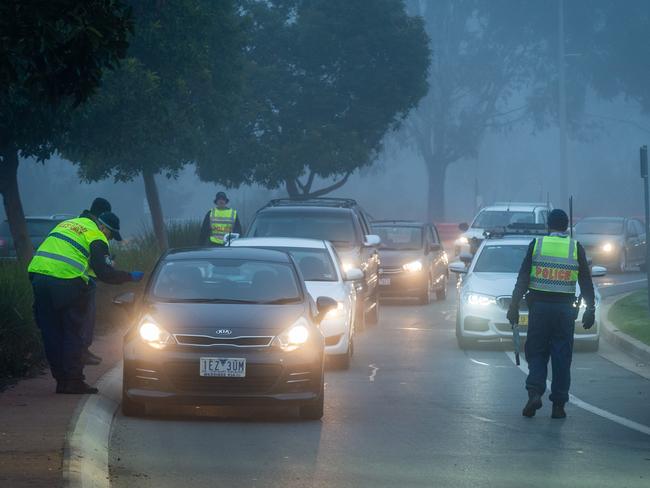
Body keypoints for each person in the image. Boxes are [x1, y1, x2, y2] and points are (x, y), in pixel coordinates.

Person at [28, 212, 144, 394]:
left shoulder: (68, 224)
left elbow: (75, 257)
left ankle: (61, 381)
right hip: (66, 280)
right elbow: (104, 273)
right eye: (111, 235)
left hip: (38, 277)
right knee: (74, 332)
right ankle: (73, 382)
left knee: (51, 333)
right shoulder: (96, 235)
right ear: (104, 228)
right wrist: (129, 276)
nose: (110, 239)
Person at [507, 209, 595, 419]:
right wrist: (590, 309)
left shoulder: (537, 245)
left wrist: (514, 305)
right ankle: (558, 406)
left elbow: (523, 279)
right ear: (566, 227)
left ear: (548, 225)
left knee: (536, 353)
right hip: (564, 311)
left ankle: (535, 393)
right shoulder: (575, 248)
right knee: (561, 357)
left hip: (539, 309)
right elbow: (585, 281)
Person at [79, 197, 112, 366]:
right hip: (79, 278)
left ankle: (75, 354)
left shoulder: (75, 222)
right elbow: (99, 265)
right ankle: (82, 351)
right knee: (87, 315)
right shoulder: (95, 230)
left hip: (45, 274)